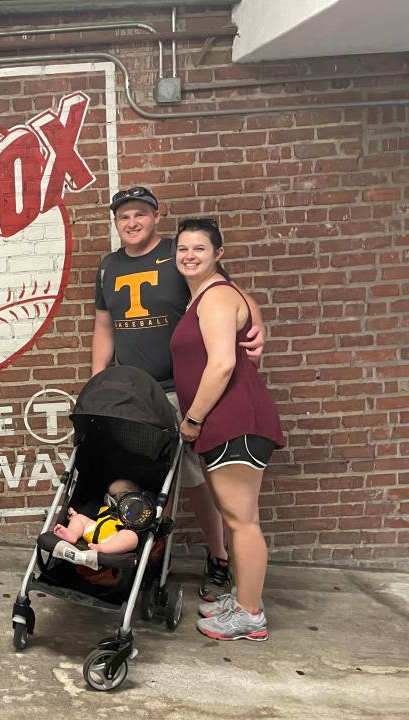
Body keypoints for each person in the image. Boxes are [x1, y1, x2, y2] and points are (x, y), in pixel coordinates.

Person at [92, 186, 265, 602]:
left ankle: (219, 558)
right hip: (133, 395)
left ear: (156, 216)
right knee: (144, 481)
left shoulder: (181, 254)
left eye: (140, 215)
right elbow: (103, 325)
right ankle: (148, 559)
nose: (132, 223)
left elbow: (230, 294)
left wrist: (258, 325)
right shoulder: (108, 266)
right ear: (115, 222)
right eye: (123, 217)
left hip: (180, 391)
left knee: (192, 482)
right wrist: (99, 380)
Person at [170, 217, 285, 641]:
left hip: (235, 420)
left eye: (199, 248)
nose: (189, 255)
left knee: (241, 521)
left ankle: (250, 614)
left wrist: (192, 419)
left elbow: (222, 364)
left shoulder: (216, 297)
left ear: (218, 254)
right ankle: (242, 598)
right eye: (183, 248)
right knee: (238, 517)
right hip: (227, 421)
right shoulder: (206, 296)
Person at [52, 479, 141, 554]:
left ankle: (103, 548)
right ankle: (72, 534)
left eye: (124, 492)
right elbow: (92, 519)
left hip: (114, 538)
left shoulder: (135, 512)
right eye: (115, 494)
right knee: (79, 518)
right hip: (94, 531)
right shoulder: (105, 508)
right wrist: (74, 518)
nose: (119, 496)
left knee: (131, 537)